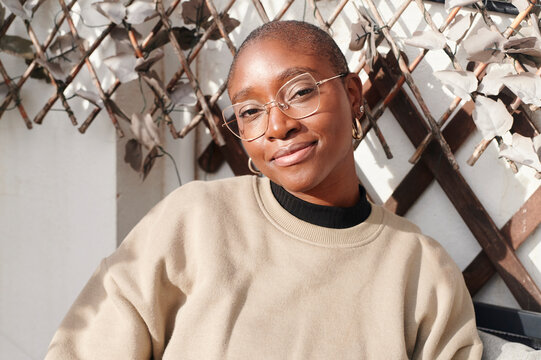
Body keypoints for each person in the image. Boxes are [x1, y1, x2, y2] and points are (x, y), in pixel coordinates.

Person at [45, 20, 483, 359]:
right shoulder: (194, 219)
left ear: (353, 95)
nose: (278, 126)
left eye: (300, 92)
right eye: (250, 111)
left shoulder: (421, 270)